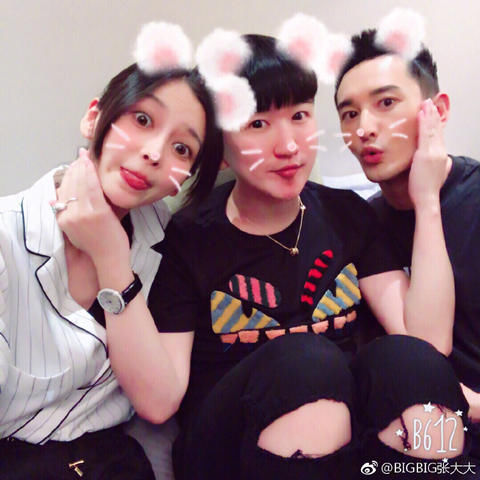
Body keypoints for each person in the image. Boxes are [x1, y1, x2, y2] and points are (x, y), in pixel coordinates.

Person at [148, 31, 473, 479]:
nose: (289, 146)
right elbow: (161, 399)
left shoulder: (348, 215)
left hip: (339, 440)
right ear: (219, 150)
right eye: (257, 124)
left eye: (299, 116)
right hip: (230, 444)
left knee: (408, 362)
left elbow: (428, 344)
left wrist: (428, 198)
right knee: (306, 360)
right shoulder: (190, 238)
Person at [0, 22, 222, 479]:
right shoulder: (7, 235)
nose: (155, 153)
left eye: (182, 148)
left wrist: (110, 258)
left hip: (110, 461)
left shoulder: (170, 243)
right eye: (142, 120)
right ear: (94, 118)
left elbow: (159, 402)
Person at [334, 21, 480, 461]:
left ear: (438, 110)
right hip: (417, 431)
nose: (364, 128)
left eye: (386, 103)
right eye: (349, 114)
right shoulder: (361, 225)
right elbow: (420, 350)